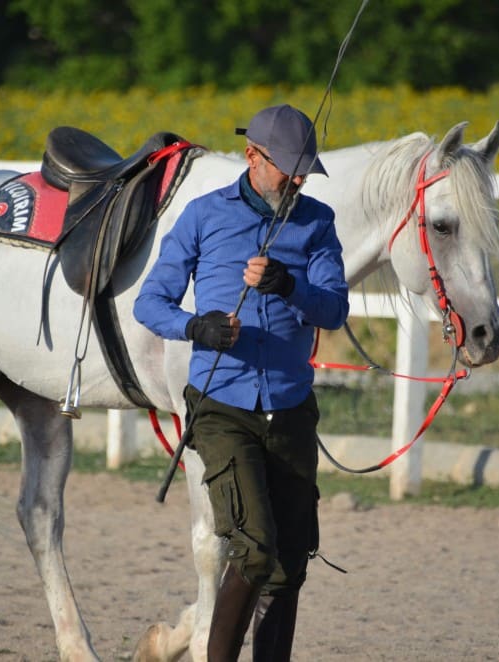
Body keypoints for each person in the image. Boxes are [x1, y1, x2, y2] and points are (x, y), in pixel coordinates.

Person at [133, 104, 349, 661]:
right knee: (253, 551)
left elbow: (333, 309)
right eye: (288, 168)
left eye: (306, 170)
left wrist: (288, 286)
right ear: (253, 156)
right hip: (220, 407)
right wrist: (195, 327)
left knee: (290, 561)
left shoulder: (317, 222)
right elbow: (149, 302)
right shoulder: (204, 217)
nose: (298, 180)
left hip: (291, 407)